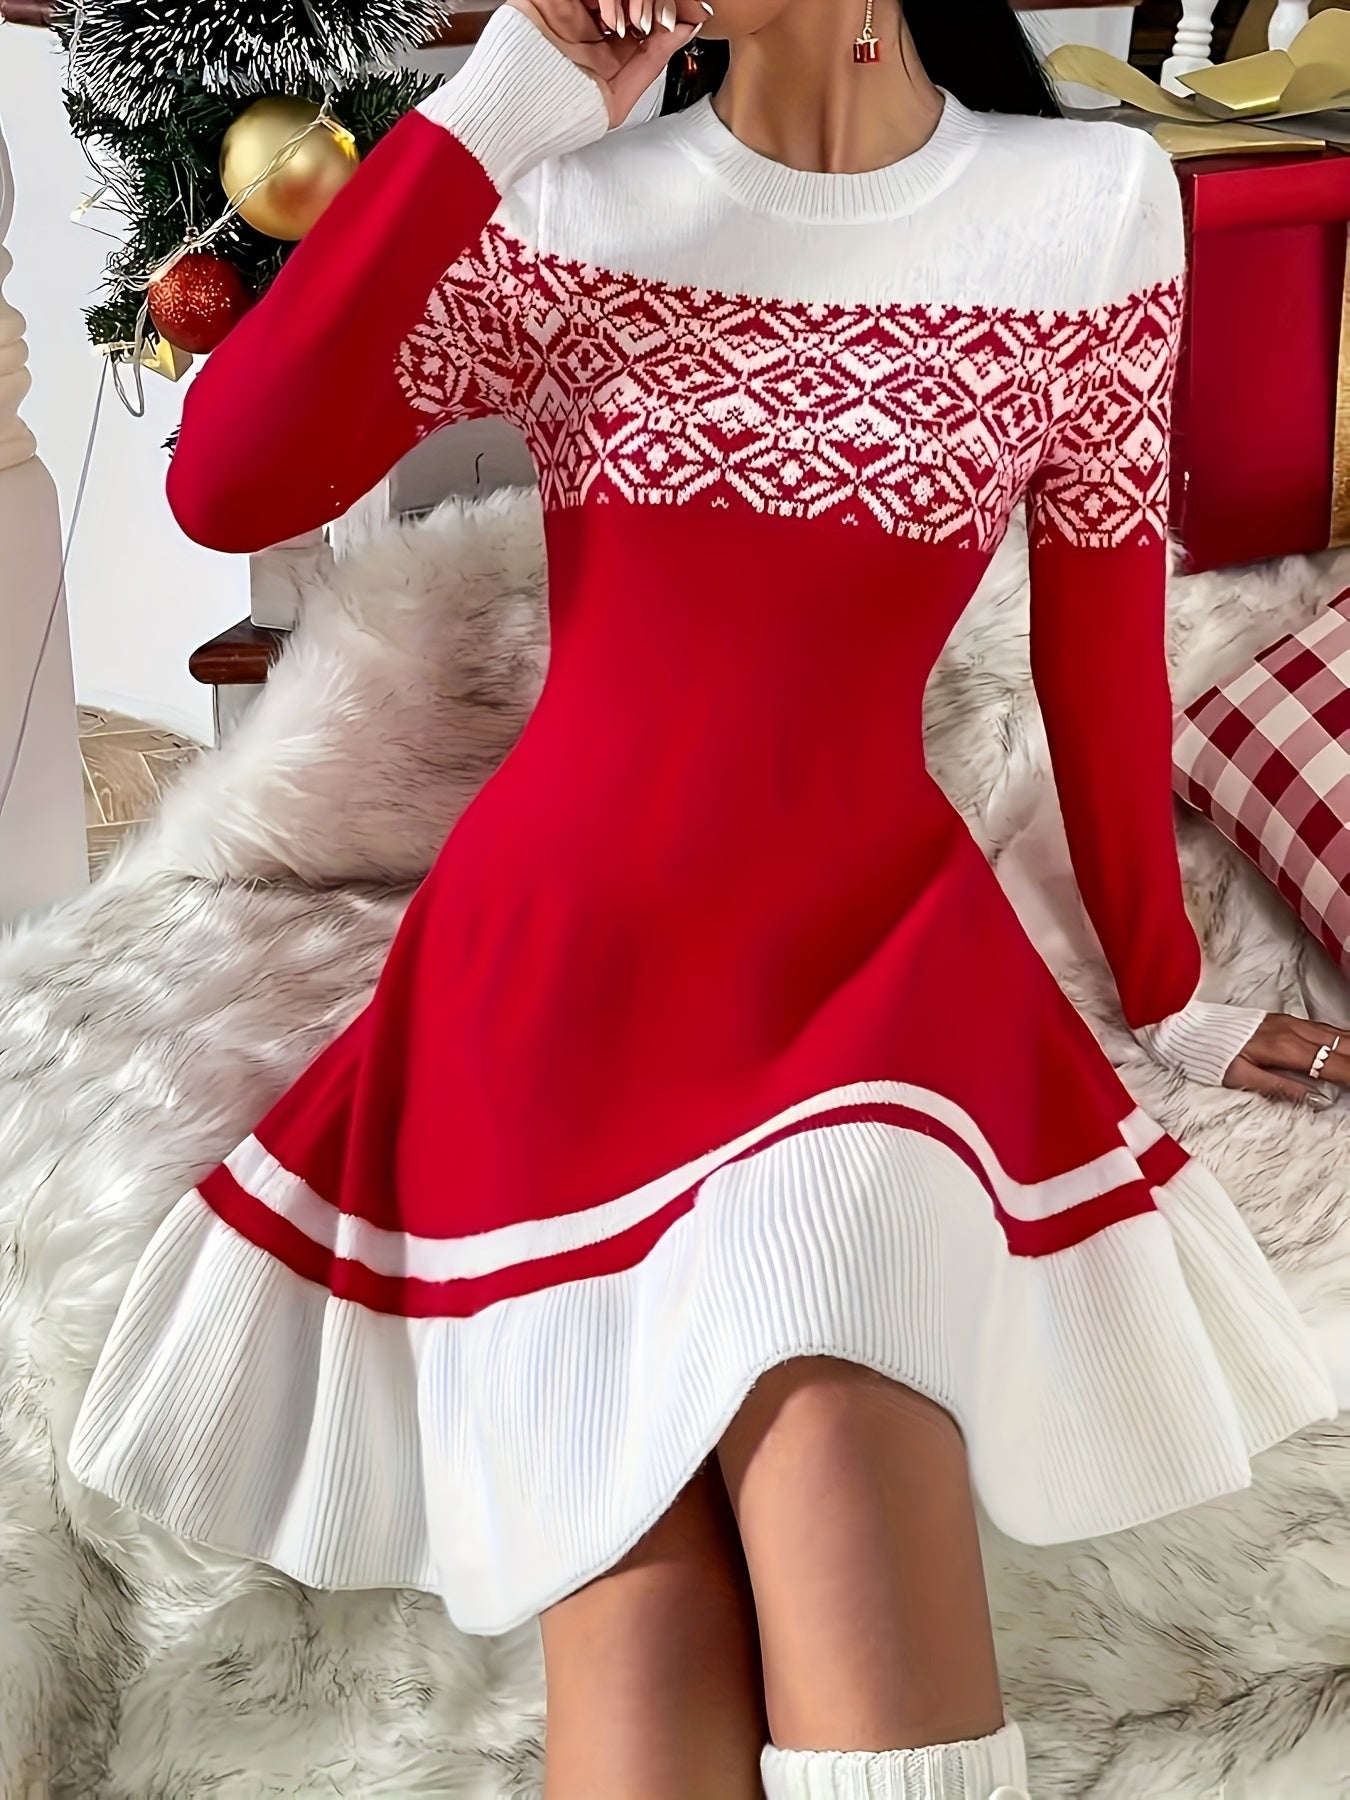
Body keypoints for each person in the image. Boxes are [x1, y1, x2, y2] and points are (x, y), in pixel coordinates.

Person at [68, 4, 1344, 1796]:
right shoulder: (571, 206)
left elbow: (1099, 644)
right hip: (556, 980)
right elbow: (229, 482)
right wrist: (504, 101)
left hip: (870, 975)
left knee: (840, 1456)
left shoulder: (1090, 204)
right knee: (636, 1610)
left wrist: (1168, 989)